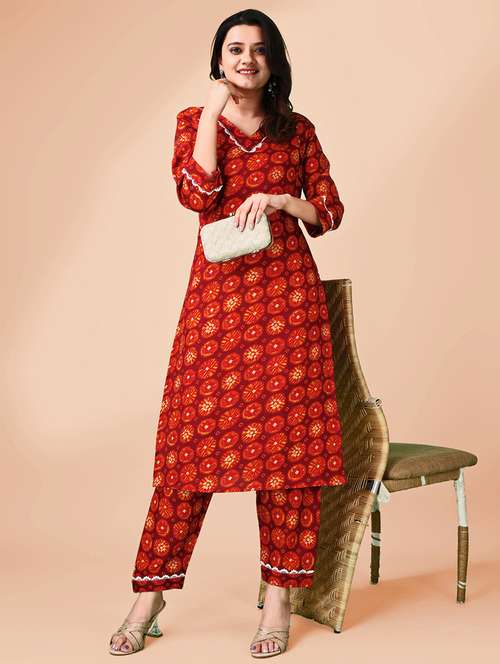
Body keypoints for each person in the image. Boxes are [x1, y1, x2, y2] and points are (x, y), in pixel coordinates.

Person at [108, 8, 347, 658]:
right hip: (216, 307)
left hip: (288, 306)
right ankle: (149, 597)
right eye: (235, 49)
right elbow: (196, 194)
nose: (247, 59)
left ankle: (278, 602)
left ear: (274, 61)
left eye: (259, 49)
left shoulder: (296, 130)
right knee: (188, 452)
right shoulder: (195, 121)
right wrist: (212, 113)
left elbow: (328, 209)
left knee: (289, 456)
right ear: (219, 59)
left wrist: (282, 201)